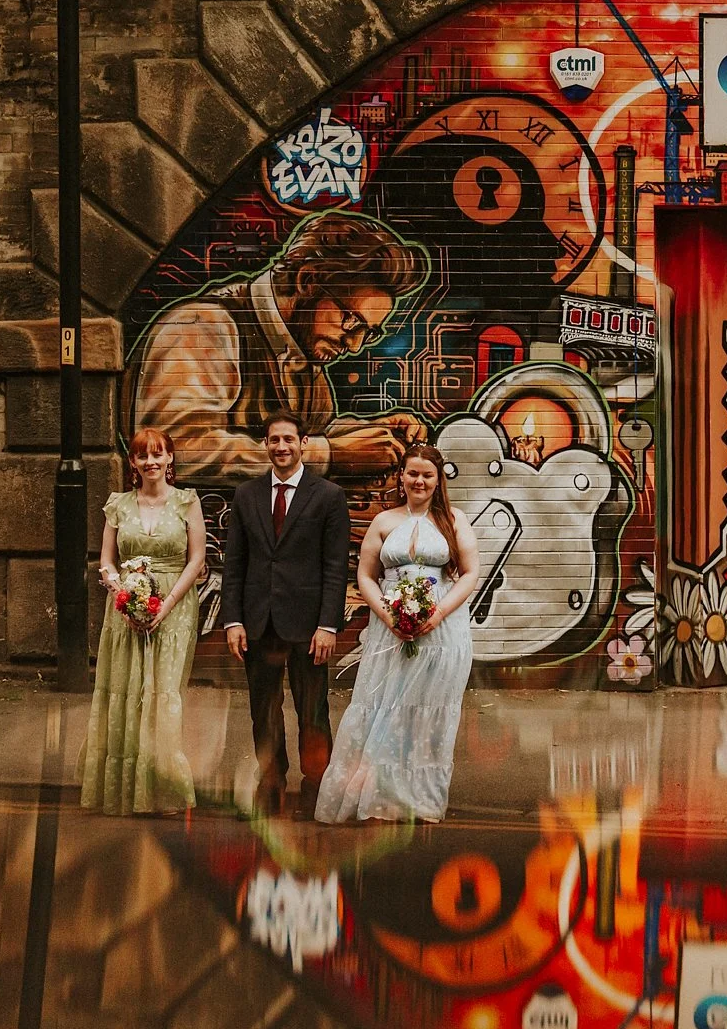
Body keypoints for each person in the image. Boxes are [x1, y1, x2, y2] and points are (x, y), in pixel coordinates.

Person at [129, 210, 432, 487]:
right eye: (351, 321)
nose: (354, 345)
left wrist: (368, 434)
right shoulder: (203, 327)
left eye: (368, 332)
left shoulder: (304, 353)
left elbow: (311, 435)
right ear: (307, 280)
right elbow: (179, 449)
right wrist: (332, 454)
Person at [317, 445, 478, 823]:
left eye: (427, 475)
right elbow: (365, 575)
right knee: (384, 707)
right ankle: (380, 796)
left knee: (425, 712)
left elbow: (470, 573)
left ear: (438, 480)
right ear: (401, 476)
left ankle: (420, 799)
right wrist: (388, 614)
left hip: (441, 634)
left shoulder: (454, 520)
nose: (419, 481)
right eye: (412, 473)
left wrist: (437, 614)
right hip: (389, 629)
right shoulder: (384, 521)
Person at [222, 411, 354, 815]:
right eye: (274, 440)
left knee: (312, 710)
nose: (281, 447)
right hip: (259, 621)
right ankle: (272, 779)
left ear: (303, 443)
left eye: (288, 439)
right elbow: (235, 564)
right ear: (266, 444)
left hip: (309, 624)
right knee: (263, 709)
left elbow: (336, 567)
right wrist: (233, 620)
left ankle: (316, 783)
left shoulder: (328, 496)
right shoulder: (246, 495)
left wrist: (328, 625)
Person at [79, 428, 204, 815]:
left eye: (158, 454)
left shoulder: (187, 502)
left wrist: (165, 605)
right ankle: (122, 791)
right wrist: (123, 597)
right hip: (124, 610)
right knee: (125, 690)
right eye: (143, 455)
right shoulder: (118, 504)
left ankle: (162, 789)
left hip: (174, 608)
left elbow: (196, 560)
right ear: (132, 462)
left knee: (162, 692)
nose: (151, 461)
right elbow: (106, 560)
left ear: (170, 458)